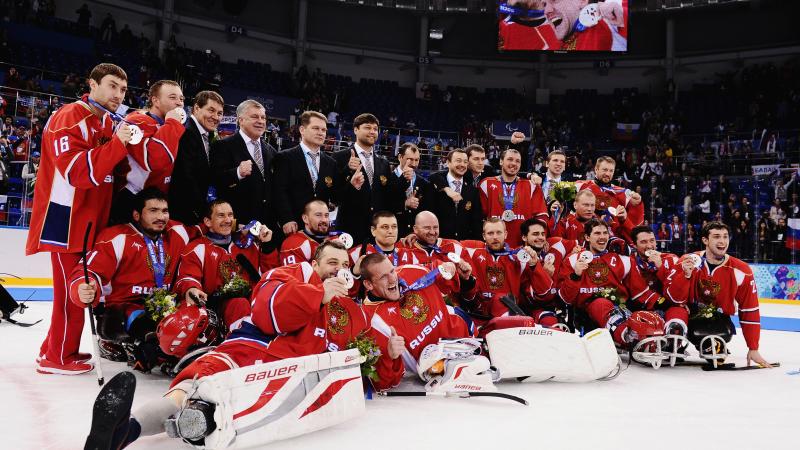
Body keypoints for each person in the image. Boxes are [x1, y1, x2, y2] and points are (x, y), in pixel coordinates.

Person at [83, 240, 366, 448]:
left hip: (284, 378)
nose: (338, 270)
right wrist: (318, 294)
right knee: (191, 389)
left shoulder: (345, 310)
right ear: (314, 264)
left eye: (343, 265)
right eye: (331, 263)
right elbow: (268, 313)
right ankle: (124, 432)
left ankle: (126, 433)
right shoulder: (288, 275)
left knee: (203, 415)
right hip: (246, 353)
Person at [26, 63, 133, 375]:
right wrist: (118, 145)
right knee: (69, 292)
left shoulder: (103, 121)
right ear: (93, 83)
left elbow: (109, 173)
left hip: (85, 222)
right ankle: (57, 358)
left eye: (123, 89)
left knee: (73, 290)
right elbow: (76, 172)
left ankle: (56, 348)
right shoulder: (71, 116)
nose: (118, 94)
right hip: (65, 221)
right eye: (112, 86)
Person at [68, 188, 191, 372]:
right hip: (123, 309)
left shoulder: (177, 232)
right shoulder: (117, 237)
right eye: (153, 210)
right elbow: (86, 271)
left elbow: (209, 229)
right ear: (136, 215)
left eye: (164, 211)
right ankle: (122, 343)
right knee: (150, 336)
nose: (161, 217)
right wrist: (82, 289)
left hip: (163, 304)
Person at [665, 222, 772, 367]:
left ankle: (711, 344)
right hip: (687, 315)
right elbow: (674, 299)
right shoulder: (687, 261)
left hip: (718, 320)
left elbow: (749, 309)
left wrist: (753, 348)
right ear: (705, 240)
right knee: (674, 317)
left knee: (715, 353)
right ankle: (674, 342)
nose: (722, 241)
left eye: (725, 237)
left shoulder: (741, 270)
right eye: (716, 237)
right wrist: (685, 276)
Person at [360, 253, 473, 390]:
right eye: (383, 277)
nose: (392, 279)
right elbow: (383, 383)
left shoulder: (411, 271)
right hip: (440, 373)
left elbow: (441, 273)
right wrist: (390, 356)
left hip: (470, 339)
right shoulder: (372, 321)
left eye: (391, 271)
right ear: (368, 284)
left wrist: (454, 269)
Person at [558, 219, 663, 347]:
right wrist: (576, 275)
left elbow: (639, 292)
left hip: (620, 307)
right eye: (597, 233)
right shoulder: (573, 260)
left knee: (647, 313)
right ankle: (628, 337)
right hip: (587, 314)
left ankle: (649, 334)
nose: (602, 237)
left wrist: (663, 303)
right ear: (587, 237)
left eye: (605, 233)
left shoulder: (623, 260)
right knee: (601, 304)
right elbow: (565, 298)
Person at [174, 199, 275, 331]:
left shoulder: (247, 244)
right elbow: (188, 277)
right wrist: (191, 288)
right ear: (207, 222)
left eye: (230, 215)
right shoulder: (197, 248)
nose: (228, 220)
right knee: (240, 304)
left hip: (254, 303)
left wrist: (267, 245)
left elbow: (269, 273)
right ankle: (243, 342)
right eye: (221, 215)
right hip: (217, 308)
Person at [110, 80, 186, 224]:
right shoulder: (136, 121)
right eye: (172, 97)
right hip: (131, 200)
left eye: (181, 99)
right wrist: (173, 124)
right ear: (155, 100)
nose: (179, 103)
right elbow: (154, 160)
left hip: (155, 199)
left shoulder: (166, 125)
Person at [210, 100, 279, 237]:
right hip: (236, 227)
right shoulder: (222, 146)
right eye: (254, 117)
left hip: (266, 229)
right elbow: (214, 181)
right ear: (240, 120)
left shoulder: (272, 151)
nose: (260, 121)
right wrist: (237, 173)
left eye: (263, 117)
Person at [462, 218, 552, 320]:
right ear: (484, 236)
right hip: (479, 316)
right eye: (490, 233)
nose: (495, 237)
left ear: (505, 234)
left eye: (499, 233)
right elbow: (445, 245)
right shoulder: (471, 252)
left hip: (509, 315)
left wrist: (535, 266)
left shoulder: (519, 258)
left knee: (548, 318)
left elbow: (543, 292)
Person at [333, 113, 398, 243]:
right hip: (349, 229)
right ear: (356, 129)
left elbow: (388, 196)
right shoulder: (339, 157)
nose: (372, 132)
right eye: (368, 127)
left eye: (375, 129)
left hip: (376, 233)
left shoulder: (383, 163)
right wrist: (348, 171)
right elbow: (334, 196)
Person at [274, 111, 338, 235]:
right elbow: (279, 191)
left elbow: (335, 195)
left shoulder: (331, 163)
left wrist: (351, 179)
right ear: (302, 130)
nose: (321, 133)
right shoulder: (285, 157)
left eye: (324, 130)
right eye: (316, 128)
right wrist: (286, 219)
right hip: (292, 226)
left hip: (320, 229)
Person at [168, 90, 224, 225]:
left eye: (219, 113)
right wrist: (203, 210)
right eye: (211, 110)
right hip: (183, 213)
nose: (215, 117)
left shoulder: (207, 135)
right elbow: (185, 177)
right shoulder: (186, 133)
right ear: (197, 108)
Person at [479, 148, 548, 246]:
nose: (514, 163)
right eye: (510, 159)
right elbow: (480, 217)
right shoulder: (486, 184)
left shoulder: (532, 185)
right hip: (494, 246)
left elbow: (541, 217)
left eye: (517, 161)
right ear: (501, 161)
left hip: (523, 247)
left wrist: (539, 239)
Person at [428, 148, 483, 240]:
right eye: (458, 161)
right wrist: (446, 189)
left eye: (465, 162)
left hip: (464, 245)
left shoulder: (473, 191)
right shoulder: (435, 186)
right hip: (439, 242)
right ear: (448, 163)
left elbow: (476, 222)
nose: (462, 165)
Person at [577, 156, 644, 228]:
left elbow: (635, 224)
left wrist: (638, 204)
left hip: (615, 236)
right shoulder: (581, 186)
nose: (608, 174)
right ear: (596, 169)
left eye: (611, 171)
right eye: (605, 170)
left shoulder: (622, 192)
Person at [552, 189, 633, 245]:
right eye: (586, 205)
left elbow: (631, 239)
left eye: (592, 205)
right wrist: (555, 217)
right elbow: (555, 244)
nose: (590, 209)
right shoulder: (565, 223)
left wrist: (624, 220)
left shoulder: (605, 222)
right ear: (575, 205)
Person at [545, 0, 628, 51]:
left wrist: (618, 13)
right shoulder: (551, 42)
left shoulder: (606, 14)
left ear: (583, 0)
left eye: (555, 0)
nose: (547, 11)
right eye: (544, 4)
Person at [279, 199, 338, 265]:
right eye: (318, 215)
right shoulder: (292, 244)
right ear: (305, 218)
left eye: (326, 215)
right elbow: (296, 274)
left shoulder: (335, 239)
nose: (324, 220)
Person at [392, 142, 432, 237]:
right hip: (393, 234)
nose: (414, 164)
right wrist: (404, 204)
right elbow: (383, 206)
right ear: (400, 157)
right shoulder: (388, 178)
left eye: (417, 160)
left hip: (416, 236)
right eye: (410, 159)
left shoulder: (424, 183)